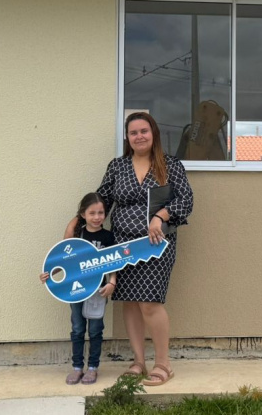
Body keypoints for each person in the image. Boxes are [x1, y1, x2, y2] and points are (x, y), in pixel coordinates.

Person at [68, 111, 193, 386]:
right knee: (131, 303)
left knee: (150, 301)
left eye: (144, 131)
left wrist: (160, 216)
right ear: (127, 137)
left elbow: (186, 200)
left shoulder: (170, 165)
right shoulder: (118, 166)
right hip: (122, 246)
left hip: (156, 245)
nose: (139, 136)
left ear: (153, 133)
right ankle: (138, 361)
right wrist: (77, 223)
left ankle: (163, 364)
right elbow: (102, 199)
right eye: (133, 132)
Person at [41, 192, 117, 385]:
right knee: (77, 329)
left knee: (95, 330)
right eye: (92, 213)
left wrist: (112, 283)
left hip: (98, 291)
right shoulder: (77, 235)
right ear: (83, 214)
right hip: (75, 291)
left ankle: (92, 368)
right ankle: (77, 368)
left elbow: (113, 264)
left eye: (101, 212)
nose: (97, 217)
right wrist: (49, 274)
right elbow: (62, 260)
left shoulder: (108, 236)